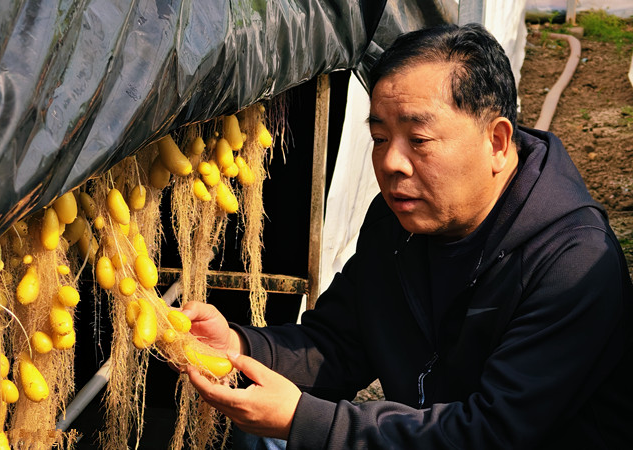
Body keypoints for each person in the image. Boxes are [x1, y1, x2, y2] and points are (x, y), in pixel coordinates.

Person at [178, 23, 633, 449]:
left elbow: (493, 433)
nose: (391, 163)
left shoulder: (572, 261)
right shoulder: (396, 223)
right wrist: (240, 347)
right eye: (379, 138)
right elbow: (338, 344)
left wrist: (306, 421)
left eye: (418, 139)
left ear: (496, 142)